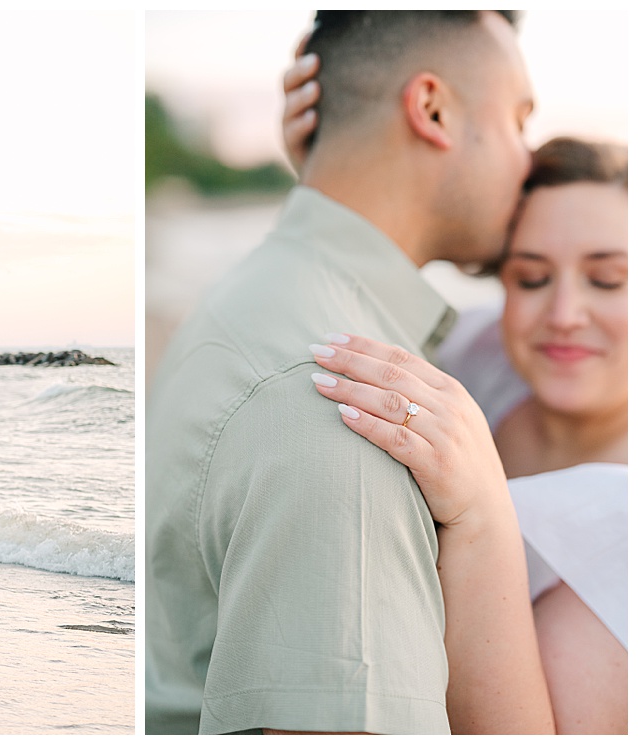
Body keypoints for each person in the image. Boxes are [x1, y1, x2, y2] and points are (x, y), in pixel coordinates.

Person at [145, 11, 537, 734]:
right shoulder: (349, 414)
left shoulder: (262, 301)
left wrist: (341, 173)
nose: (528, 160)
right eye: (519, 119)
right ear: (433, 110)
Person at [298, 124, 628, 733]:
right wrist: (333, 168)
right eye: (531, 278)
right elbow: (367, 289)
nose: (563, 316)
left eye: (607, 280)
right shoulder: (481, 357)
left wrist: (481, 515)